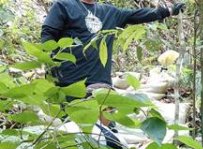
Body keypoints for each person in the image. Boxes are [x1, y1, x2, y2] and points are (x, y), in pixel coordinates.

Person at [41, 0, 184, 89]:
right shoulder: (64, 6)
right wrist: (50, 63)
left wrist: (167, 11)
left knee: (107, 135)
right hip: (68, 80)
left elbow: (136, 15)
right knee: (69, 130)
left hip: (98, 83)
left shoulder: (109, 12)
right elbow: (48, 33)